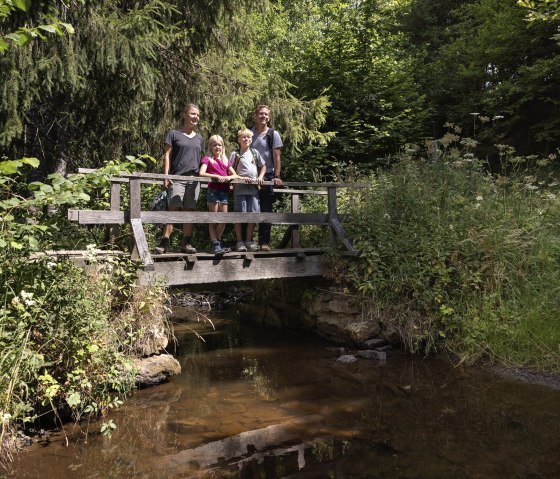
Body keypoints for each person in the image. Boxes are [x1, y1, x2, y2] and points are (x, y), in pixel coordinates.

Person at [154, 103, 204, 254]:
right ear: (185, 115)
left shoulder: (199, 138)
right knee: (173, 209)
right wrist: (166, 175)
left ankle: (186, 243)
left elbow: (199, 159)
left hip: (194, 179)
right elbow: (167, 156)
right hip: (177, 177)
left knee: (189, 210)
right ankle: (164, 242)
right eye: (193, 114)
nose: (196, 117)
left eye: (198, 115)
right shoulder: (174, 134)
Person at [250, 104, 283, 251]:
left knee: (265, 209)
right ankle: (247, 242)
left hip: (268, 176)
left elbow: (277, 156)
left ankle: (264, 243)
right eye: (261, 114)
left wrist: (277, 175)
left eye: (266, 114)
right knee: (249, 209)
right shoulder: (250, 133)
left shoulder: (273, 134)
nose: (264, 116)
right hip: (251, 176)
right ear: (255, 116)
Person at [198, 135, 238, 254]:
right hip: (213, 190)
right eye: (214, 145)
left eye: (219, 145)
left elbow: (235, 175)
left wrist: (228, 177)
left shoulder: (226, 161)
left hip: (224, 191)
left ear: (223, 146)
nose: (217, 147)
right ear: (210, 147)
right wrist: (215, 176)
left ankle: (218, 242)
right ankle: (215, 243)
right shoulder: (207, 159)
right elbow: (201, 173)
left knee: (223, 219)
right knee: (213, 218)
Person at [230, 128, 265, 252]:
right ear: (239, 139)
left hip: (253, 189)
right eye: (244, 137)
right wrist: (240, 178)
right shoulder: (235, 154)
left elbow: (263, 166)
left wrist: (260, 177)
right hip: (240, 189)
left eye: (249, 137)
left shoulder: (255, 153)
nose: (247, 139)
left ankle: (249, 240)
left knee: (253, 215)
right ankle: (240, 242)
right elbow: (229, 168)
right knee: (239, 215)